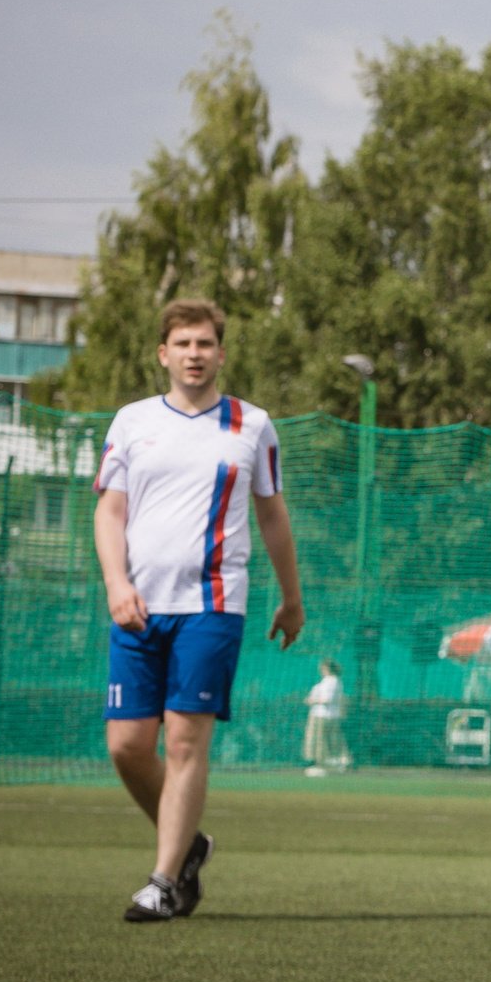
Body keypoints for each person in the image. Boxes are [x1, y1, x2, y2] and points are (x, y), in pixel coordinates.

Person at [92, 299, 303, 921]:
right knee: (127, 745)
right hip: (136, 606)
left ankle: (162, 880)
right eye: (182, 343)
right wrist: (115, 582)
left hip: (213, 607)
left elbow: (272, 515)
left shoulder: (252, 425)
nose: (194, 353)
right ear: (163, 353)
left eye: (205, 343)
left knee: (184, 742)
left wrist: (292, 599)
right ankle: (190, 846)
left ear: (220, 353)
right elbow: (109, 510)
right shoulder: (130, 422)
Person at [303, 657, 348, 777]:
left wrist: (313, 701)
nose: (321, 670)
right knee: (319, 741)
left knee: (324, 741)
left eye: (323, 668)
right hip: (320, 714)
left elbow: (328, 699)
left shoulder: (332, 681)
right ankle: (319, 763)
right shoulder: (326, 681)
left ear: (327, 668)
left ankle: (325, 764)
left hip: (325, 716)